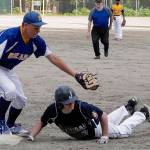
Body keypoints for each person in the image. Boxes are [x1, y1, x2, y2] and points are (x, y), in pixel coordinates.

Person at [0, 11, 88, 136]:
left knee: (20, 99)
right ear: (25, 25)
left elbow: (53, 58)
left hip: (7, 69)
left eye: (39, 27)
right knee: (9, 90)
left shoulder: (36, 41)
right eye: (35, 28)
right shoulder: (9, 36)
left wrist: (75, 74)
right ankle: (0, 123)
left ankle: (10, 125)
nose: (38, 31)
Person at [27, 85, 150, 143]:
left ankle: (142, 113)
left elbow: (103, 116)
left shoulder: (82, 107)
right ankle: (128, 107)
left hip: (96, 130)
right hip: (96, 124)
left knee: (123, 131)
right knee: (110, 122)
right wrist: (32, 135)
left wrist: (105, 136)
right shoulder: (53, 110)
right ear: (59, 103)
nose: (71, 104)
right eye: (68, 103)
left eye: (72, 101)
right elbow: (42, 121)